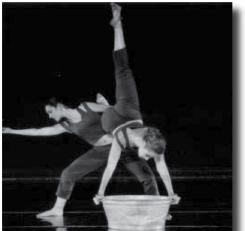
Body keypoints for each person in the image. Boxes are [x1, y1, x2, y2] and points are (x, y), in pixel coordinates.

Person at [3, 93, 160, 216]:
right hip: (100, 152)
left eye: (51, 111)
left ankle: (156, 211)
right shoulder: (66, 125)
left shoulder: (86, 107)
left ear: (59, 106)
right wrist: (12, 131)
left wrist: (104, 104)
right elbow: (40, 131)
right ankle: (58, 209)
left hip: (121, 145)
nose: (50, 116)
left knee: (148, 178)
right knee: (68, 174)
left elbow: (113, 111)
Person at [93, 3, 180, 205]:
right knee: (123, 68)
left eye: (149, 156)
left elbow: (162, 168)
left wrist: (171, 194)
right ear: (144, 144)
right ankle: (117, 25)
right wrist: (100, 193)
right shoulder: (131, 140)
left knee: (121, 78)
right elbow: (111, 167)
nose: (148, 158)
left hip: (118, 119)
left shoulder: (151, 142)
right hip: (124, 113)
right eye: (148, 155)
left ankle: (106, 105)